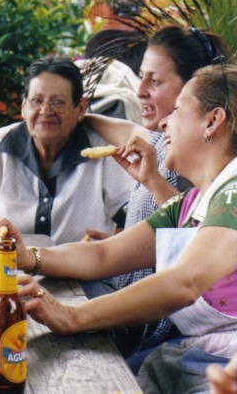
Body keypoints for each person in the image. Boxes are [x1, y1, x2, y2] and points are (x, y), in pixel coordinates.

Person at [0, 62, 237, 393]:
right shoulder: (191, 203)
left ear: (213, 121)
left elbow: (184, 282)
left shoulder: (233, 192)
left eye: (176, 110)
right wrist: (29, 255)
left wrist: (73, 316)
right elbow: (104, 255)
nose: (164, 122)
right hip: (191, 358)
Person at [85, 25, 229, 356]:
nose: (140, 90)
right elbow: (123, 130)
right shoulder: (157, 143)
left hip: (164, 330)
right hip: (134, 314)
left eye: (156, 81)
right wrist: (72, 115)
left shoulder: (204, 162)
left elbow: (192, 242)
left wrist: (154, 182)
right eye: (141, 77)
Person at [0, 55, 133, 245]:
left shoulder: (101, 152)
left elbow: (135, 218)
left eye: (58, 102)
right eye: (37, 101)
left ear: (80, 108)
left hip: (77, 270)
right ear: (23, 106)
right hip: (4, 267)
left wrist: (113, 246)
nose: (46, 110)